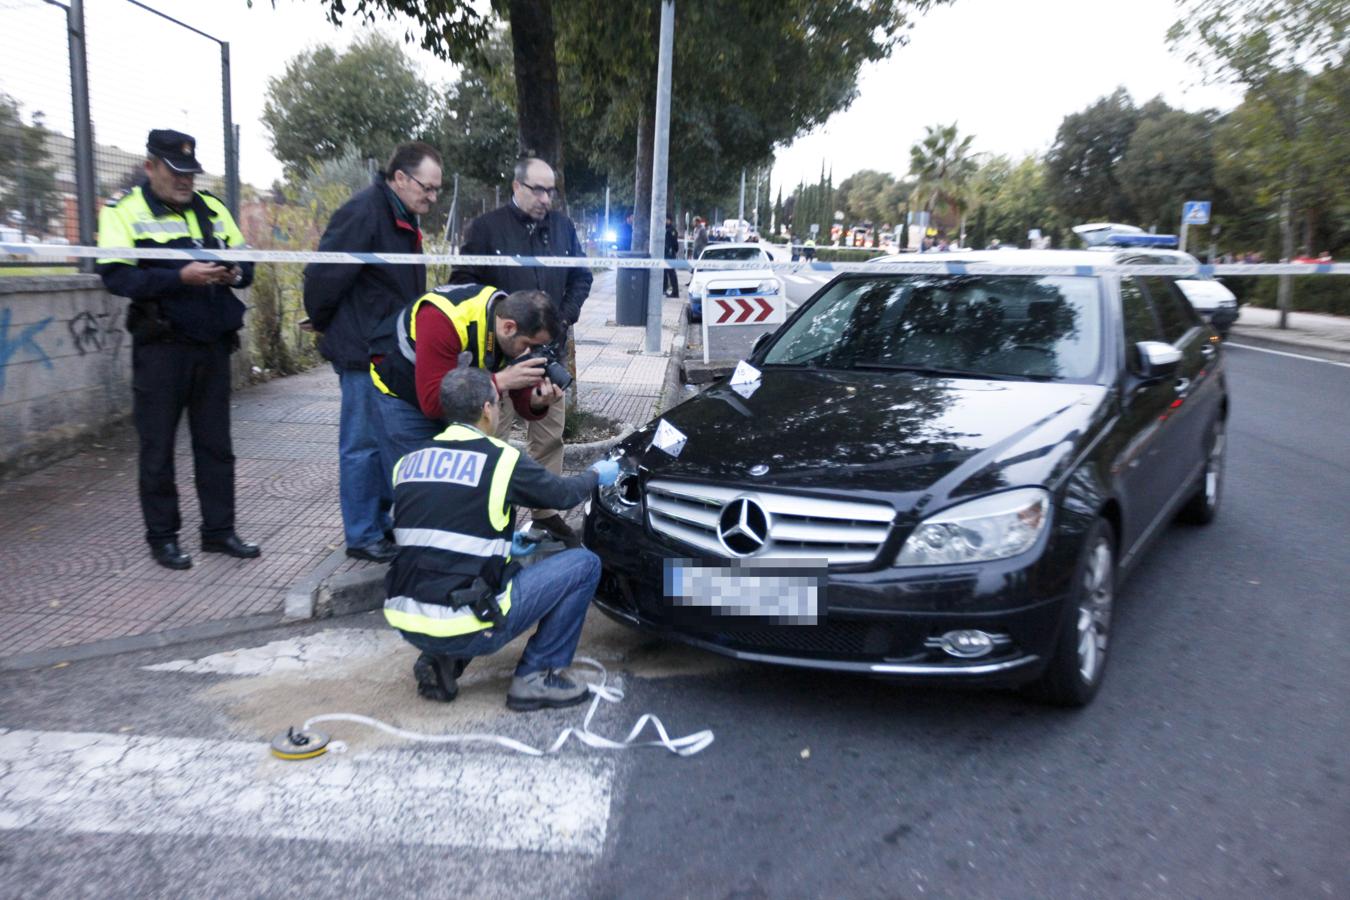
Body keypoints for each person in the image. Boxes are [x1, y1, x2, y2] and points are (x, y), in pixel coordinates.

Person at [383, 365, 620, 710]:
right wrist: (596, 474)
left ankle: (439, 659)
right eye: (497, 402)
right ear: (486, 409)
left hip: (407, 620)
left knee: (501, 564)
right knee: (584, 564)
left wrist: (507, 546)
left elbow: (435, 532)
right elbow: (563, 495)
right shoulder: (501, 460)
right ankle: (536, 678)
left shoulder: (409, 462)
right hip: (468, 624)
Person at [96, 129, 259, 571]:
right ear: (151, 167)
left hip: (211, 346)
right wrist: (178, 278)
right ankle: (163, 538)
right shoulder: (124, 212)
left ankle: (219, 532)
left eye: (190, 173)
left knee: (216, 446)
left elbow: (248, 266)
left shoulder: (214, 210)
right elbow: (115, 276)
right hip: (161, 348)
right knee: (158, 448)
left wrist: (233, 275)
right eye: (175, 172)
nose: (185, 181)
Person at [303, 142, 442, 563]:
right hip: (363, 350)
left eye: (438, 190)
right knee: (362, 445)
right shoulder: (365, 211)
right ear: (399, 177)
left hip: (387, 350)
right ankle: (363, 534)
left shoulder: (400, 214)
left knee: (384, 442)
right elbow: (323, 276)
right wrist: (329, 322)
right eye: (428, 188)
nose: (433, 197)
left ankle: (379, 526)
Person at [449, 156, 592, 548]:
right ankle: (483, 511)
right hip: (499, 357)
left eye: (551, 190)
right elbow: (461, 284)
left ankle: (546, 517)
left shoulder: (562, 227)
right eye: (538, 189)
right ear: (516, 187)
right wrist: (500, 317)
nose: (546, 198)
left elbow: (582, 276)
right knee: (490, 435)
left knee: (549, 437)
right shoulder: (486, 229)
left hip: (549, 355)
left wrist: (561, 320)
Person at [369, 287, 564, 462]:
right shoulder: (442, 319)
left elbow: (516, 388)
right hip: (401, 389)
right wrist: (498, 381)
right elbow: (431, 402)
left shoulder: (507, 323)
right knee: (414, 480)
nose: (530, 353)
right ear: (508, 327)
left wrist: (535, 402)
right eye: (529, 345)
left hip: (452, 392)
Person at [663, 216, 680, 297]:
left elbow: (674, 243)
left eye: (666, 219)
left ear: (669, 220)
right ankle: (664, 289)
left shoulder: (671, 230)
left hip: (669, 254)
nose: (665, 221)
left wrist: (672, 251)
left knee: (671, 273)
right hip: (666, 253)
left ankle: (675, 292)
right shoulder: (666, 229)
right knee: (665, 273)